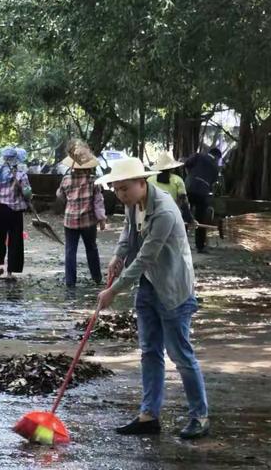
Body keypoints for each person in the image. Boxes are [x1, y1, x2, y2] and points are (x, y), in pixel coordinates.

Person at [96, 157, 209, 440]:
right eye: (116, 190)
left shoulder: (165, 212)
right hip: (147, 286)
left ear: (140, 182)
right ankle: (149, 415)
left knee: (180, 354)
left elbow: (146, 257)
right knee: (149, 351)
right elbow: (128, 232)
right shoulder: (134, 203)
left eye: (124, 189)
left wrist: (113, 291)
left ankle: (200, 415)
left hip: (173, 288)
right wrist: (118, 255)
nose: (121, 195)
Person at [56, 139, 106, 287]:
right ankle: (97, 278)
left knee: (70, 251)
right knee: (91, 248)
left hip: (69, 221)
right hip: (88, 222)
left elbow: (60, 196)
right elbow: (98, 201)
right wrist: (102, 219)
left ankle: (70, 281)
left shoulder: (66, 180)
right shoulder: (93, 181)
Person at [0, 146, 31, 279]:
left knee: (0, 238)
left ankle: (0, 265)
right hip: (14, 211)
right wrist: (27, 195)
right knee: (14, 240)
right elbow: (27, 193)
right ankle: (10, 272)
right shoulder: (21, 174)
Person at [184, 147, 221, 253]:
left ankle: (181, 242)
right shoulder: (215, 166)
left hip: (189, 188)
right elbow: (213, 181)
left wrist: (190, 176)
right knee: (200, 219)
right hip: (202, 192)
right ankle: (200, 246)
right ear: (217, 157)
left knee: (185, 215)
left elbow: (186, 164)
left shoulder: (198, 156)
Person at [148, 152, 193, 224]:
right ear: (172, 168)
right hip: (172, 215)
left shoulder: (149, 180)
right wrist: (189, 219)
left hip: (152, 215)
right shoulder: (177, 180)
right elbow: (183, 201)